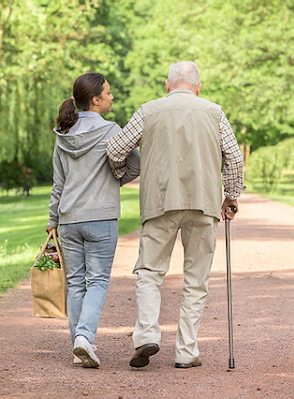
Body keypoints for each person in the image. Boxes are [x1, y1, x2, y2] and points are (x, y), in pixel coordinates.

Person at [107, 61, 245, 369]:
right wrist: (231, 196)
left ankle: (145, 335)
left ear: (167, 86)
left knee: (149, 272)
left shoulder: (149, 110)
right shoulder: (214, 111)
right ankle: (186, 352)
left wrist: (124, 173)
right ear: (198, 87)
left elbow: (115, 150)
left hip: (160, 201)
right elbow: (234, 157)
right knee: (196, 280)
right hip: (203, 202)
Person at [46, 72, 140, 368]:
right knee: (97, 281)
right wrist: (115, 179)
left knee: (75, 283)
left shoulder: (63, 135)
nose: (112, 97)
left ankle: (79, 343)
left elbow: (58, 183)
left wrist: (52, 220)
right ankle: (84, 337)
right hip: (101, 217)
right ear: (96, 100)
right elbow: (135, 164)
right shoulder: (112, 131)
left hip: (70, 219)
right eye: (108, 93)